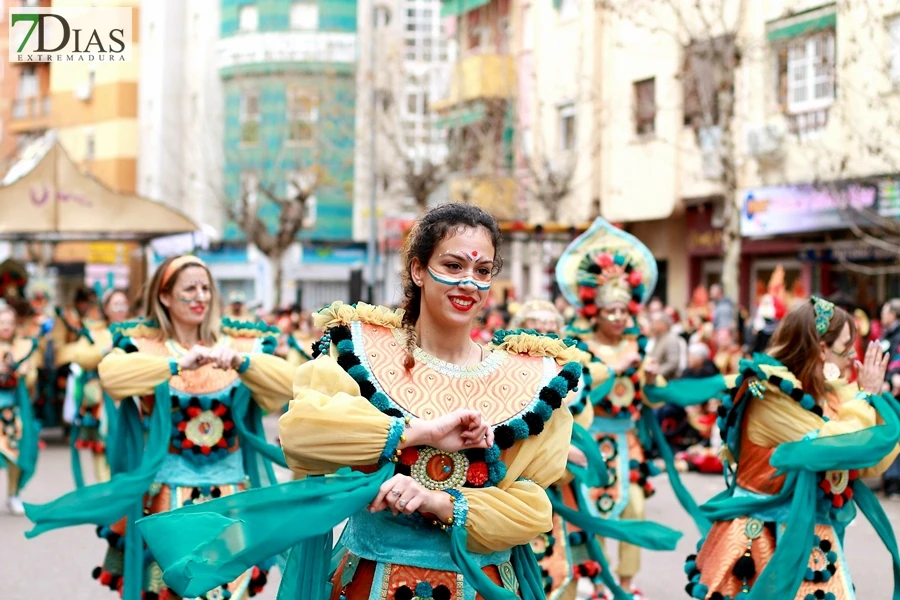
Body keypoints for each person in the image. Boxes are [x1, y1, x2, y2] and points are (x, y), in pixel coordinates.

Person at [131, 204, 583, 600]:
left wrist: (438, 502)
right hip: (368, 580)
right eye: (453, 264)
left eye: (483, 270)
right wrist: (416, 431)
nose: (469, 282)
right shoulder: (362, 351)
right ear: (417, 270)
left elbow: (532, 510)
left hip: (481, 583)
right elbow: (301, 434)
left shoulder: (529, 376)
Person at [24, 255, 296, 600]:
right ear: (165, 296)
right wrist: (174, 364)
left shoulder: (240, 343)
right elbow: (112, 377)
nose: (201, 296)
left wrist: (243, 363)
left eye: (205, 288)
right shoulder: (142, 345)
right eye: (190, 289)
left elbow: (290, 385)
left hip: (230, 496)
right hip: (166, 497)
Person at [685, 298, 900, 599]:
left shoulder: (830, 393)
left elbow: (867, 461)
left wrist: (873, 403)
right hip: (763, 537)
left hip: (813, 535)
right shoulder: (769, 393)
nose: (853, 356)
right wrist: (866, 399)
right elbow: (836, 445)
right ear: (821, 349)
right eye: (846, 346)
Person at [555, 217, 709, 599]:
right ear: (595, 310)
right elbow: (578, 388)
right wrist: (614, 369)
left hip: (628, 444)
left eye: (624, 312)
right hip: (589, 441)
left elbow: (650, 397)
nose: (619, 318)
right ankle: (593, 576)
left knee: (633, 508)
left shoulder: (639, 346)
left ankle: (625, 583)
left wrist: (654, 380)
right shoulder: (578, 347)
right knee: (586, 513)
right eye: (611, 312)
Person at [56, 289, 133, 486]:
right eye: (115, 304)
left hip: (130, 395)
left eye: (123, 304)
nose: (119, 309)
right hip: (101, 398)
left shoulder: (137, 331)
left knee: (129, 443)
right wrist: (105, 350)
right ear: (105, 308)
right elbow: (81, 356)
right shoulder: (93, 332)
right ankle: (105, 489)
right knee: (101, 446)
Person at [0, 304, 39, 515]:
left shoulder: (23, 348)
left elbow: (32, 381)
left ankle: (13, 494)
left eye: (9, 323)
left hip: (12, 410)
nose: (5, 326)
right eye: (2, 322)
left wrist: (25, 372)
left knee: (14, 453)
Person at [880, 298, 900, 499]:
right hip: (889, 390)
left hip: (895, 393)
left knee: (894, 434)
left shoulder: (897, 335)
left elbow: (896, 360)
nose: (882, 315)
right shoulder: (888, 334)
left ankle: (894, 481)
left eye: (885, 311)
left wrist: (892, 379)